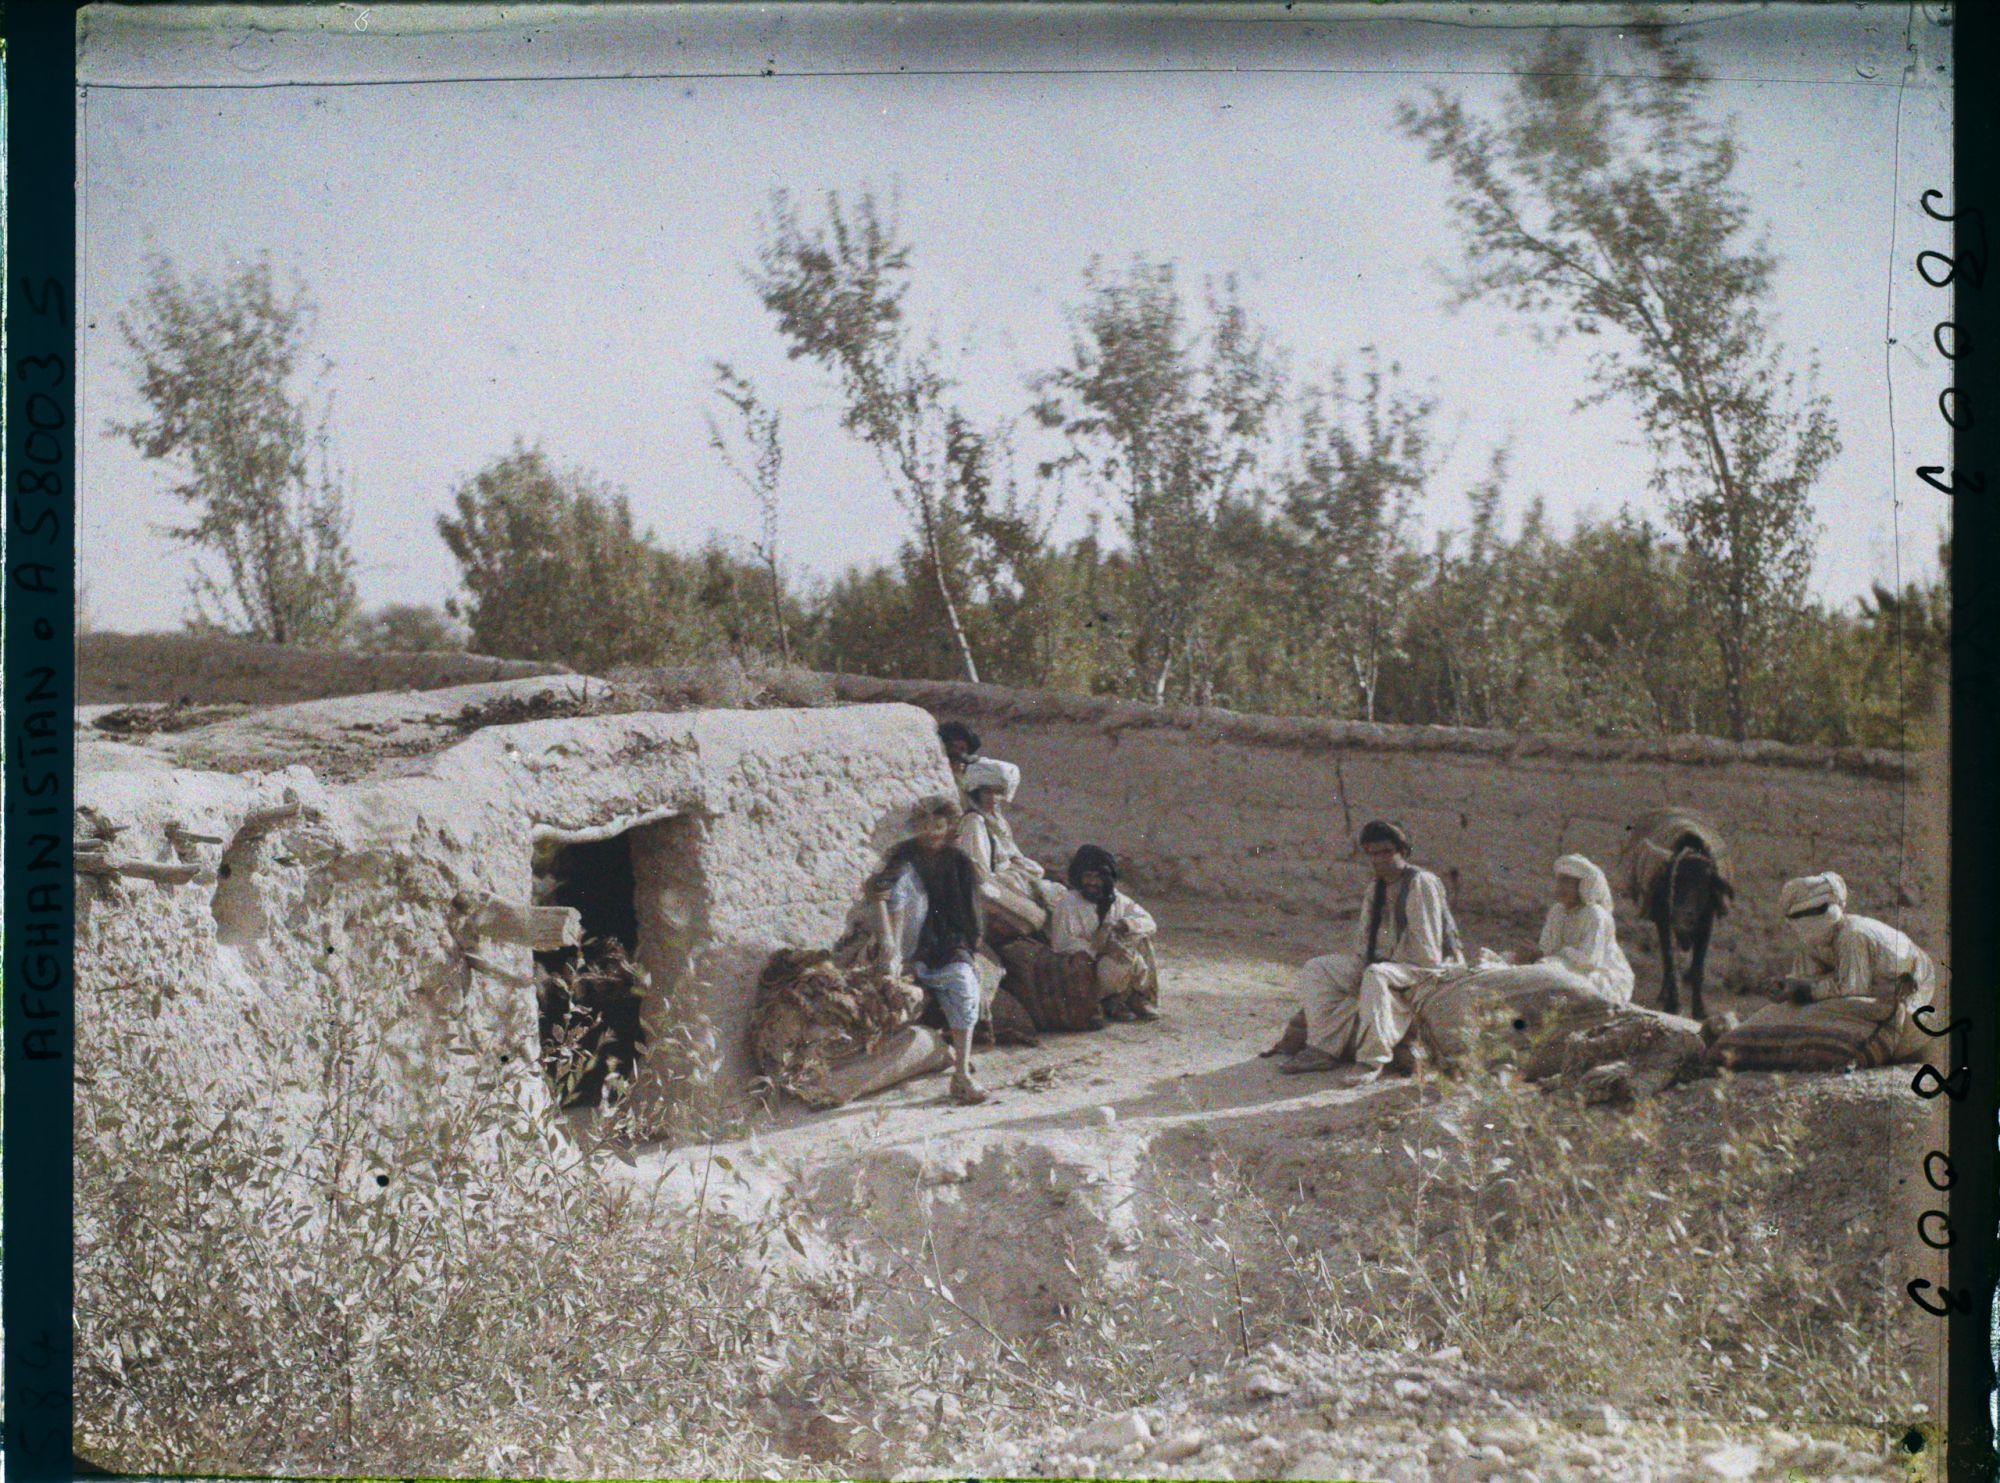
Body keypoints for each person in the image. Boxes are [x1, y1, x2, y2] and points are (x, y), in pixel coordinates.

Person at [1265, 819, 1465, 1080]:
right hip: (1388, 965)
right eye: (1372, 853)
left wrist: (1380, 966)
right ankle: (1323, 1049)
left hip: (1424, 968)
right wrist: (1362, 965)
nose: (1379, 859)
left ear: (1402, 851)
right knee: (1318, 969)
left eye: (1386, 852)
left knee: (1376, 975)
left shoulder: (1420, 883)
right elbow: (1365, 939)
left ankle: (1371, 1062)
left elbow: (1426, 951)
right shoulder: (1376, 888)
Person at [1709, 871, 1938, 1070]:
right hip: (1863, 988)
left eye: (1818, 909)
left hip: (1907, 991)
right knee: (1792, 1011)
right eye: (1802, 914)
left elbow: (1850, 988)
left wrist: (1802, 990)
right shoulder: (1811, 943)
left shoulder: (1853, 935)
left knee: (1842, 1008)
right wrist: (1787, 988)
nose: (1809, 918)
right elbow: (1807, 984)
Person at [848, 794, 990, 1105]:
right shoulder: (903, 856)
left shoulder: (959, 862)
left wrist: (971, 946)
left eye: (938, 825)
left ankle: (962, 1073)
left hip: (947, 942)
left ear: (949, 826)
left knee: (964, 987)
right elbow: (882, 895)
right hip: (906, 942)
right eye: (925, 825)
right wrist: (889, 943)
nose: (931, 832)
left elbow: (970, 912)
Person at [1497, 854, 1635, 1005]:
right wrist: (1533, 954)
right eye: (1560, 881)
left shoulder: (1595, 915)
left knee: (1546, 970)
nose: (1561, 887)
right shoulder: (1557, 911)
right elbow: (1548, 947)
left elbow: (1590, 960)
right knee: (1507, 959)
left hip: (1600, 973)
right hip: (1564, 963)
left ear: (1583, 886)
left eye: (1568, 882)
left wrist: (1554, 954)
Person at [1048, 845, 1161, 1022]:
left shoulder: (1117, 900)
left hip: (1115, 962)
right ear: (1079, 877)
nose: (1092, 882)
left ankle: (1140, 998)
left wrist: (1124, 925)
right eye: (1087, 876)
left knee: (1141, 938)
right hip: (1086, 970)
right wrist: (1101, 948)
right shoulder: (1069, 904)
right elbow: (1062, 944)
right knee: (1118, 958)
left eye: (1097, 877)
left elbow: (1148, 922)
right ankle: (1110, 1002)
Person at [956, 757, 1060, 938]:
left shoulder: (998, 821)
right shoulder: (975, 822)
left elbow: (1013, 855)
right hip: (997, 886)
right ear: (976, 792)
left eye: (998, 793)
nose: (994, 798)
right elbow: (979, 871)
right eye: (988, 792)